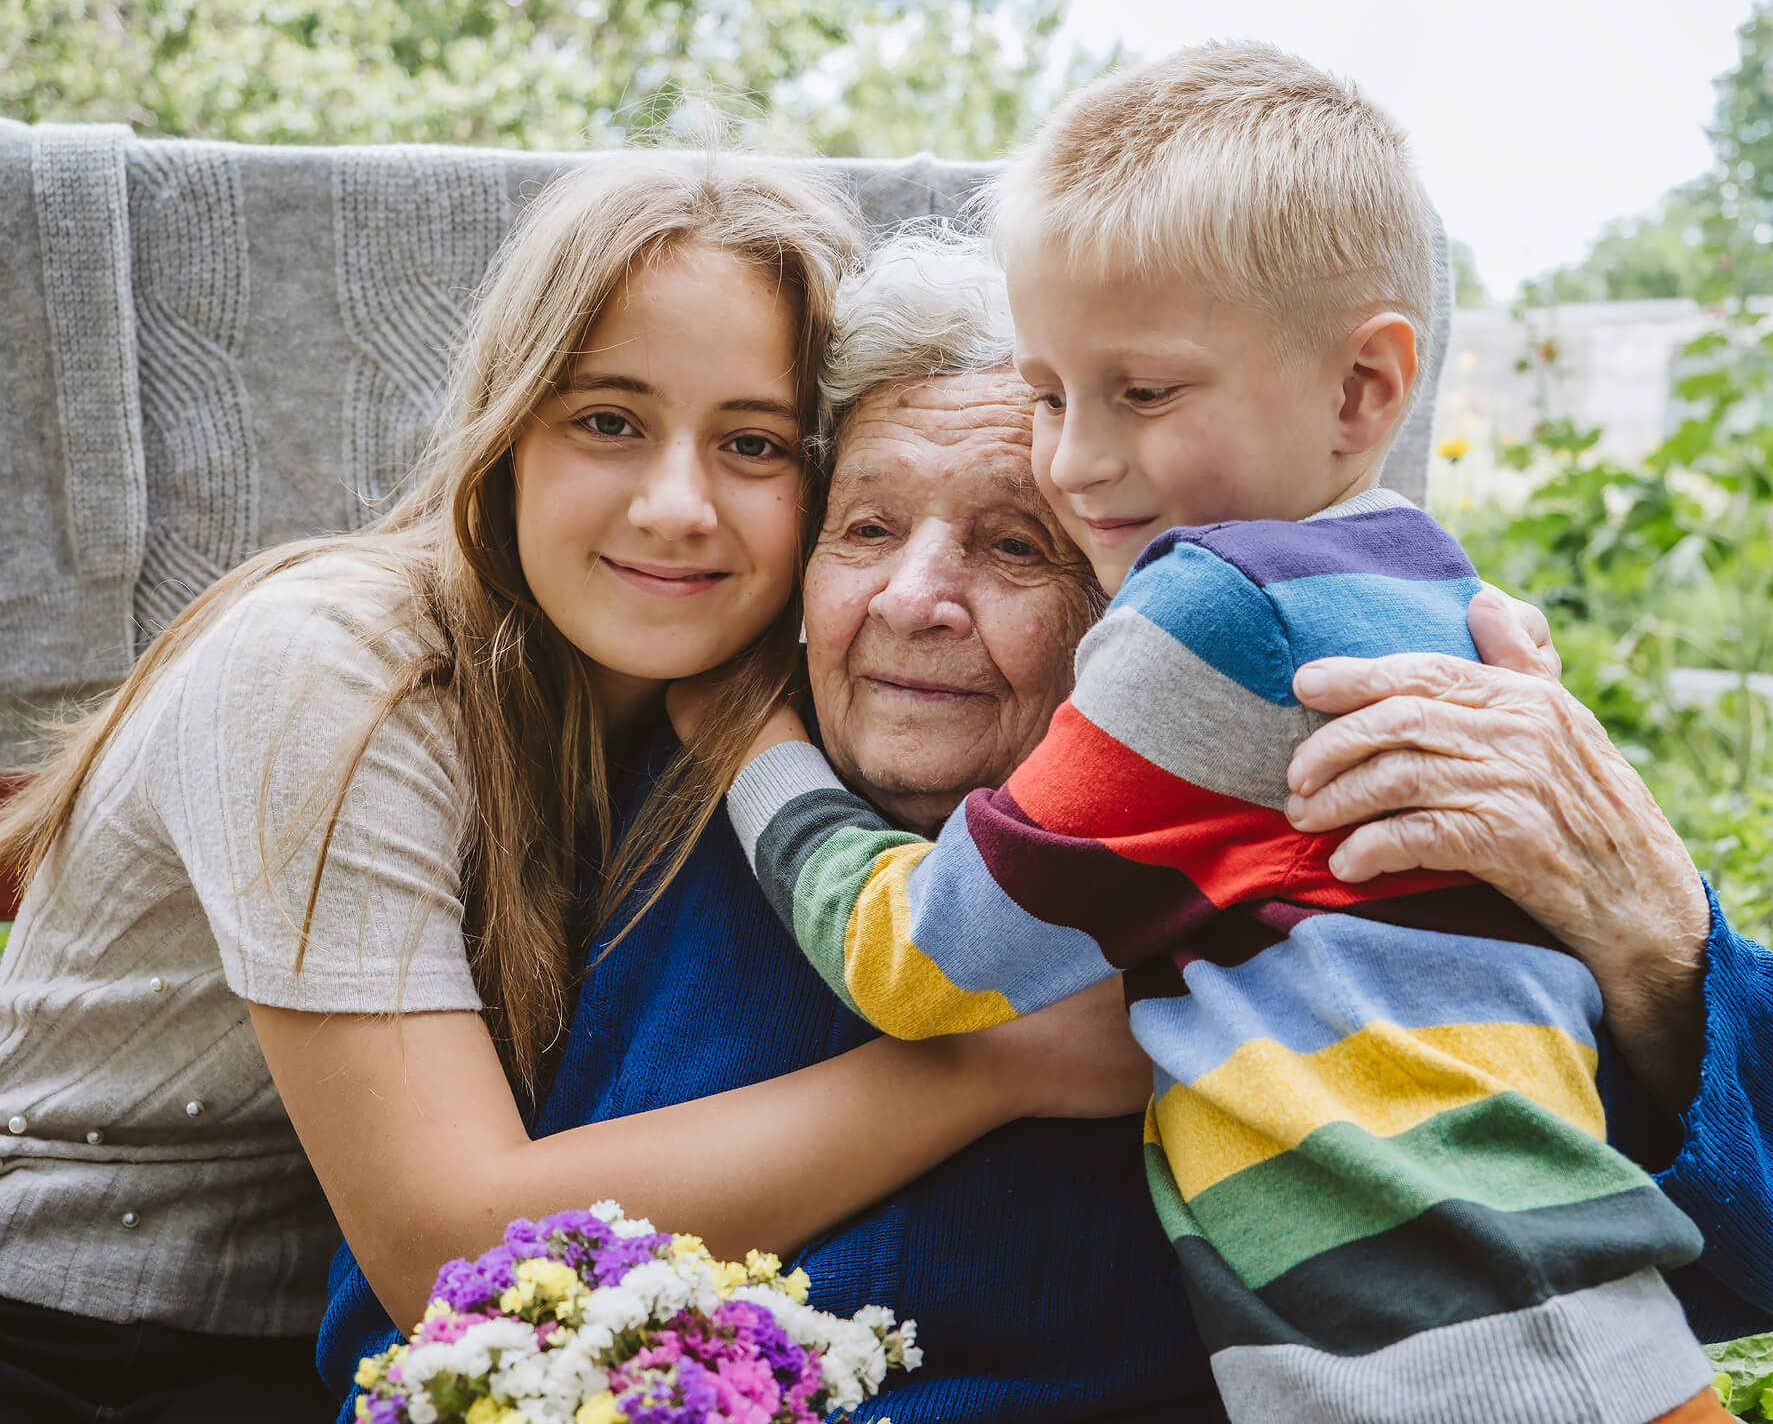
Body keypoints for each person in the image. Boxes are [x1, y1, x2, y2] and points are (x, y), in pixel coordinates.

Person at [692, 48, 1773, 1424]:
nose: (1078, 465)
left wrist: (1650, 927)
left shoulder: (1329, 673)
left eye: (1019, 540)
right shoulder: (1390, 589)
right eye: (868, 527)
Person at [0, 154, 1145, 1424]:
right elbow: (443, 1247)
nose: (676, 506)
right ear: (505, 428)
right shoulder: (334, 668)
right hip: (74, 1330)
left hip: (339, 1351)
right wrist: (988, 1065)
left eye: (754, 443)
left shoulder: (759, 703)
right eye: (608, 420)